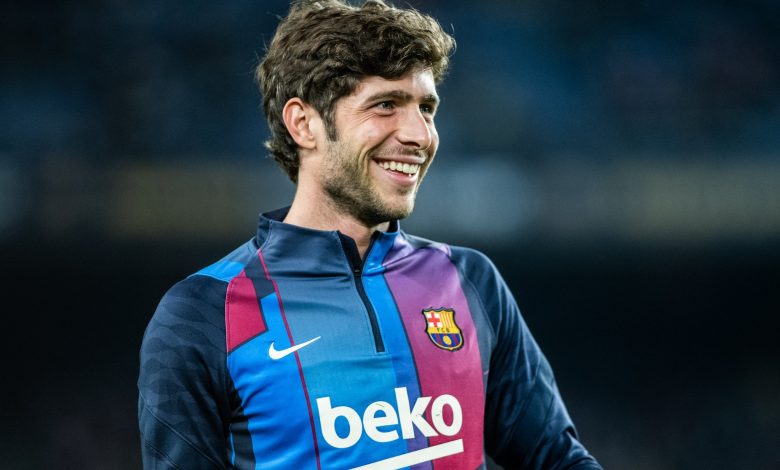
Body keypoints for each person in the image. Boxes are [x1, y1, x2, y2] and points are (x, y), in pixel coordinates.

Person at [137, 1, 602, 469]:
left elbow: (557, 459)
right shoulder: (204, 313)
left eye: (426, 108)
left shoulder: (469, 281)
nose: (420, 135)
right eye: (385, 105)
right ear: (304, 123)